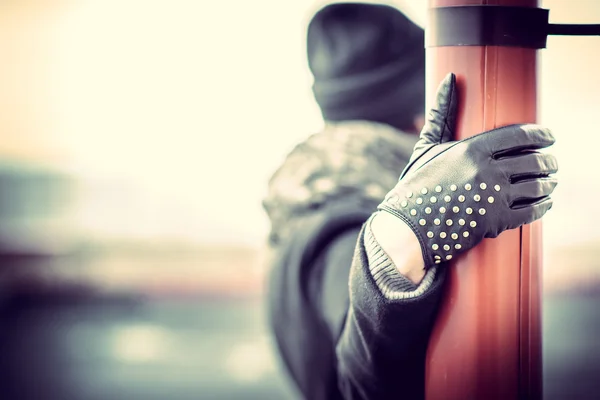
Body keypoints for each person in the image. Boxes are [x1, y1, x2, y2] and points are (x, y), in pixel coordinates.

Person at [262, 3, 558, 400]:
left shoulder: (312, 192)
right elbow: (359, 388)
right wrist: (400, 239)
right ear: (418, 110)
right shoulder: (340, 222)